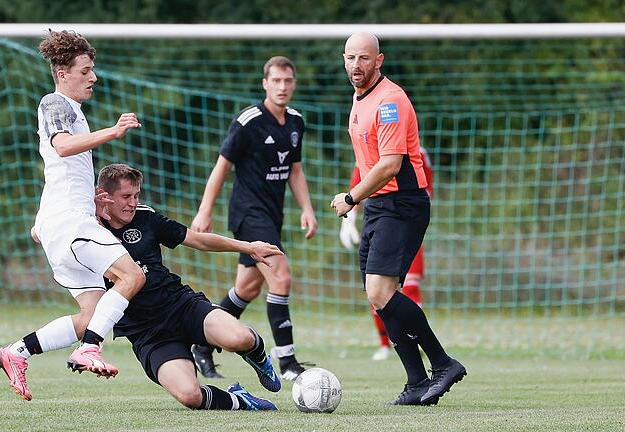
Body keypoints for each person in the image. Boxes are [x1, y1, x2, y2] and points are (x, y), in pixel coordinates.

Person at [0, 30, 147, 401]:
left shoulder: (71, 111)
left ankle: (17, 351)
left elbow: (60, 172)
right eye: (86, 70)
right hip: (70, 225)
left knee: (89, 317)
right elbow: (61, 148)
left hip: (62, 224)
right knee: (132, 276)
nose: (93, 77)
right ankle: (90, 349)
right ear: (63, 73)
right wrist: (113, 131)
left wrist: (43, 222)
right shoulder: (55, 102)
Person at [331, 32, 466, 406]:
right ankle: (417, 382)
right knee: (379, 298)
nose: (356, 65)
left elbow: (390, 166)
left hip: (403, 204)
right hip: (379, 206)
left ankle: (443, 364)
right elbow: (366, 162)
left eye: (364, 58)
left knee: (380, 292)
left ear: (379, 60)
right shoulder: (359, 100)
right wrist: (359, 206)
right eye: (350, 58)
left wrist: (349, 199)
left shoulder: (390, 101)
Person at [97, 163, 282, 410]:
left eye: (136, 195)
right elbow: (39, 231)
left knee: (240, 338)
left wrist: (248, 247)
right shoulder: (86, 229)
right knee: (189, 396)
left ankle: (258, 357)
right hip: (148, 333)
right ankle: (241, 400)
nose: (132, 203)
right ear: (104, 196)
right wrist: (87, 206)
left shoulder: (146, 218)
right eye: (126, 197)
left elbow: (198, 240)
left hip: (181, 306)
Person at [190, 56, 318, 381]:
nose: (282, 87)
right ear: (265, 83)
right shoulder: (248, 121)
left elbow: (295, 171)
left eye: (288, 81)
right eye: (276, 80)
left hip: (273, 216)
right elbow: (222, 167)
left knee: (246, 289)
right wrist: (205, 211)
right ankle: (287, 362)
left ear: (294, 84)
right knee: (281, 276)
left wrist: (307, 209)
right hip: (248, 214)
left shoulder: (295, 122)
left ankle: (201, 344)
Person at [340, 147, 433, 361]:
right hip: (380, 222)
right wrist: (351, 216)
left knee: (409, 288)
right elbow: (358, 181)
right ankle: (385, 344)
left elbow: (426, 188)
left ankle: (420, 342)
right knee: (376, 289)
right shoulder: (366, 151)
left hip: (404, 220)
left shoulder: (418, 154)